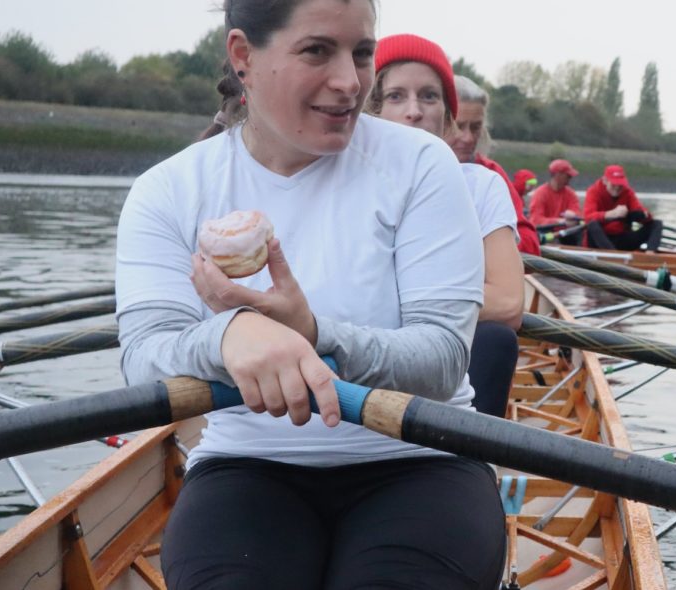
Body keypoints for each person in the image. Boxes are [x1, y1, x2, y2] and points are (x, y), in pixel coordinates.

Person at [115, 1, 505, 588]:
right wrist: (229, 335)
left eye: (362, 53)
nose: (350, 81)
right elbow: (143, 360)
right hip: (246, 465)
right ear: (243, 56)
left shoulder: (422, 164)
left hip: (420, 456)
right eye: (317, 51)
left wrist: (312, 334)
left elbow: (443, 359)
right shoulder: (167, 191)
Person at [367, 33, 522, 418]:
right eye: (396, 96)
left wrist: (395, 304)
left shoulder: (482, 185)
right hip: (366, 367)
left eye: (429, 97)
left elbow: (508, 304)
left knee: (497, 339)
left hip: (448, 363)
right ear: (371, 111)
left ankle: (475, 447)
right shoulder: (338, 181)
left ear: (447, 117)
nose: (413, 111)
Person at [448, 75, 541, 256]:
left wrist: (494, 245)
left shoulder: (491, 173)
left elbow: (530, 243)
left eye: (476, 127)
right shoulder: (415, 171)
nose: (468, 138)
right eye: (459, 126)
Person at [583, 164, 663, 251]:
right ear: (605, 180)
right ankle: (613, 254)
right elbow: (588, 217)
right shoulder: (593, 191)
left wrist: (644, 215)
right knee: (592, 224)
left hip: (621, 239)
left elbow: (641, 211)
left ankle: (650, 254)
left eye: (620, 184)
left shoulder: (628, 192)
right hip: (599, 240)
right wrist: (612, 214)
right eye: (614, 184)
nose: (617, 188)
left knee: (656, 224)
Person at [527, 159, 583, 246]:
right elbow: (536, 220)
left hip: (565, 233)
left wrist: (574, 216)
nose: (570, 177)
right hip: (546, 233)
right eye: (568, 175)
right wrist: (560, 221)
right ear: (558, 175)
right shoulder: (540, 193)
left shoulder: (571, 194)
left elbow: (578, 213)